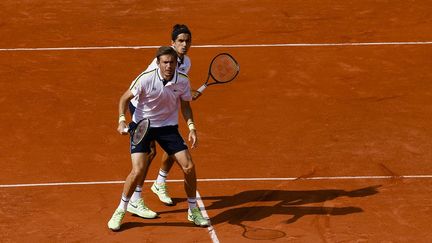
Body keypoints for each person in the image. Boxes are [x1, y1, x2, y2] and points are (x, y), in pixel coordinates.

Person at [108, 46, 209, 231]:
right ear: (158, 63)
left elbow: (185, 106)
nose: (168, 66)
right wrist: (122, 120)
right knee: (137, 170)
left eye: (171, 62)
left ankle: (193, 210)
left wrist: (192, 127)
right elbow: (124, 99)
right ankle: (121, 209)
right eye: (165, 62)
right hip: (143, 126)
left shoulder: (183, 81)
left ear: (175, 63)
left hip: (168, 128)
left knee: (189, 166)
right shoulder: (146, 78)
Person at [129, 24, 197, 207]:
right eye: (180, 41)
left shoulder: (187, 62)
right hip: (142, 105)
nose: (184, 44)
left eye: (187, 41)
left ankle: (160, 182)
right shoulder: (162, 61)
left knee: (172, 143)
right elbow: (155, 84)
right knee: (149, 153)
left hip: (163, 108)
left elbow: (176, 84)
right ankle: (136, 198)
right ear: (173, 43)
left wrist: (187, 92)